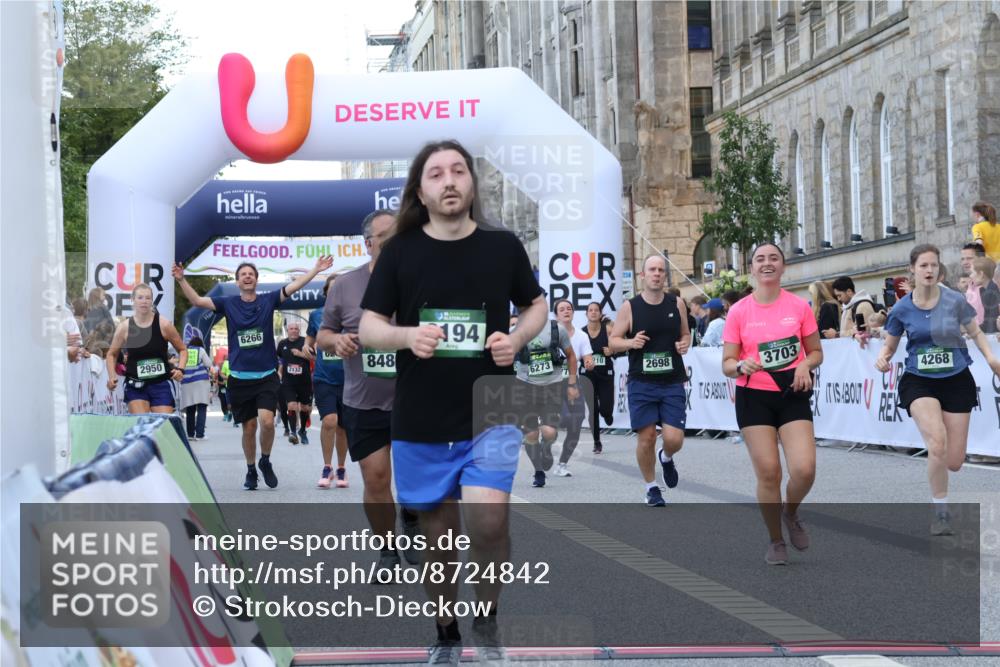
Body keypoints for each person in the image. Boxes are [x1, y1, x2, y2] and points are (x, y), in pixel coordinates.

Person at [358, 141, 547, 664]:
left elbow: (536, 304)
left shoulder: (502, 246)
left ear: (471, 183)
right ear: (420, 189)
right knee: (437, 540)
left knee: (489, 522)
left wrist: (519, 337)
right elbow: (371, 324)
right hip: (420, 419)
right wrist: (406, 337)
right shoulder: (400, 250)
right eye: (436, 173)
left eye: (458, 171)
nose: (449, 181)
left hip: (491, 410)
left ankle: (485, 614)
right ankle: (446, 625)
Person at [173, 255, 333, 491]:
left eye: (251, 274)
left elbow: (293, 286)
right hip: (239, 377)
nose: (247, 276)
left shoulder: (269, 300)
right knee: (249, 428)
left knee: (267, 422)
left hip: (266, 375)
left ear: (256, 280)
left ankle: (265, 460)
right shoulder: (228, 303)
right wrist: (181, 279)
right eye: (243, 274)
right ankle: (250, 470)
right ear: (237, 281)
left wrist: (315, 269)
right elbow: (197, 300)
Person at [319, 209, 422, 573]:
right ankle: (387, 550)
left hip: (415, 399)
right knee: (376, 478)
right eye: (386, 236)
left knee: (414, 479)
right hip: (364, 400)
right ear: (368, 243)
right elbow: (323, 336)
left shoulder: (421, 280)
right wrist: (338, 342)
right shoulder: (345, 286)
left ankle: (410, 515)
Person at [872, 244, 1000, 535]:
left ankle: (942, 483)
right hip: (920, 380)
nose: (929, 271)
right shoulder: (902, 308)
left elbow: (976, 331)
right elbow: (889, 346)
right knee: (937, 443)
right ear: (912, 270)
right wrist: (882, 358)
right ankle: (940, 512)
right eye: (923, 266)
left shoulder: (954, 301)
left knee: (953, 460)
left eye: (934, 265)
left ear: (939, 269)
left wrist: (991, 358)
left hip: (956, 378)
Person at [721, 243, 823, 566]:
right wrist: (739, 366)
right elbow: (726, 362)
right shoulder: (739, 311)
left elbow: (816, 351)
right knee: (769, 472)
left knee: (804, 470)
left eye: (773, 259)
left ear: (783, 267)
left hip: (792, 390)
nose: (767, 264)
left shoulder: (799, 307)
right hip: (754, 395)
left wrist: (806, 364)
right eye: (760, 259)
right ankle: (776, 540)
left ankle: (790, 513)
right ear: (751, 268)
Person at [609, 254, 691, 507]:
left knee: (674, 438)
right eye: (652, 270)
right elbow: (613, 341)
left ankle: (666, 457)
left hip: (672, 381)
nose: (657, 273)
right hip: (641, 383)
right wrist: (630, 343)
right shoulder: (630, 307)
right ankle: (651, 487)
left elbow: (685, 333)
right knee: (646, 437)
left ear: (665, 275)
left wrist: (684, 343)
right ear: (642, 275)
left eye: (661, 270)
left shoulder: (676, 304)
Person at [516, 309, 579, 487]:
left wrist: (572, 384)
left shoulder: (557, 329)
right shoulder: (516, 330)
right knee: (531, 433)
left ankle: (546, 447)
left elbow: (571, 356)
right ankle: (538, 471)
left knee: (549, 432)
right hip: (525, 386)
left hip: (552, 386)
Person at [106, 284, 187, 414]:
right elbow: (112, 354)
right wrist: (111, 376)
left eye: (148, 298)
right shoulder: (124, 327)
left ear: (152, 301)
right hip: (135, 384)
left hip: (161, 383)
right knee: (142, 423)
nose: (144, 301)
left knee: (162, 426)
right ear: (133, 300)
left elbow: (182, 349)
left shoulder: (164, 324)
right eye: (140, 297)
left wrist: (180, 369)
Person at [306, 273, 350, 488]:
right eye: (331, 289)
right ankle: (327, 466)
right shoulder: (316, 315)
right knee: (329, 421)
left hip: (349, 379)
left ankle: (341, 468)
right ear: (326, 293)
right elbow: (310, 338)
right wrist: (307, 346)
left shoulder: (353, 315)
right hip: (324, 378)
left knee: (343, 427)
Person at [552, 298, 590, 477]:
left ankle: (562, 463)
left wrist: (589, 362)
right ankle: (546, 434)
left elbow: (587, 356)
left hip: (574, 382)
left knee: (577, 420)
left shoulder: (581, 336)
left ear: (573, 313)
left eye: (569, 308)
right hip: (553, 384)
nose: (566, 311)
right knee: (564, 418)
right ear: (556, 315)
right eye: (562, 309)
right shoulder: (549, 335)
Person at [582, 302, 616, 453]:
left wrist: (612, 351)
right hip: (587, 375)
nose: (594, 312)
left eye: (596, 310)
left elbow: (619, 345)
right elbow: (573, 353)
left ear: (601, 313)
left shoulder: (608, 329)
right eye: (591, 310)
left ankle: (607, 414)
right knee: (593, 409)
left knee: (605, 408)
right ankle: (597, 442)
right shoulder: (581, 333)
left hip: (605, 373)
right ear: (586, 314)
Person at [276, 320, 313, 445]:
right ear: (287, 330)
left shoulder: (305, 342)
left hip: (304, 381)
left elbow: (314, 358)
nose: (294, 331)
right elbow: (280, 360)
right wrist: (279, 373)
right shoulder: (282, 344)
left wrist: (301, 354)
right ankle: (293, 432)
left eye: (296, 329)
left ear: (299, 330)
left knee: (305, 408)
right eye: (291, 328)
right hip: (288, 382)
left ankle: (302, 430)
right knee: (291, 405)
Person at [179, 336, 213, 440]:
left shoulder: (185, 351)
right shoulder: (200, 350)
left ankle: (190, 434)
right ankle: (200, 434)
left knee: (190, 409)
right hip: (200, 382)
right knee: (202, 407)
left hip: (187, 383)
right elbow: (208, 363)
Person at [972, 257, 1000, 334]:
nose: (971, 276)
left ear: (981, 274)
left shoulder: (993, 290)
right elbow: (987, 321)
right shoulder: (984, 291)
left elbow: (992, 323)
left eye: (972, 272)